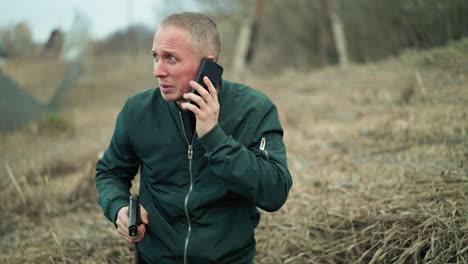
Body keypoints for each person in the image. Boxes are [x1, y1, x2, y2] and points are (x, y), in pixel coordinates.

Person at [95, 12, 292, 264]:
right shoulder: (138, 110)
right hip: (154, 259)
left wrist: (214, 137)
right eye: (155, 57)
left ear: (206, 65)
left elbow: (274, 192)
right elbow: (110, 173)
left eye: (171, 59)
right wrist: (118, 207)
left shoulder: (254, 110)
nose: (158, 71)